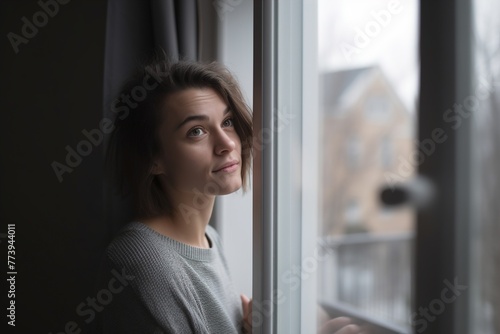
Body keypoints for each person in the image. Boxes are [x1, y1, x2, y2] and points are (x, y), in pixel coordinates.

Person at [99, 58, 363, 334]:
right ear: (153, 159)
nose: (227, 143)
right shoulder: (140, 259)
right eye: (196, 132)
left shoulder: (211, 240)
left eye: (227, 122)